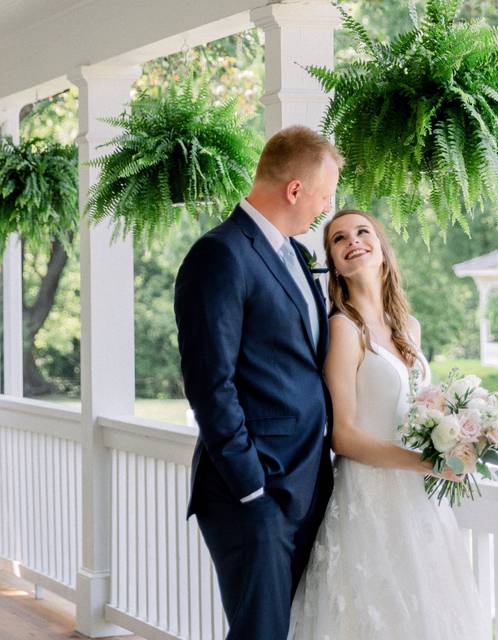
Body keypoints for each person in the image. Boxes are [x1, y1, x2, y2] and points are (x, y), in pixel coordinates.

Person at [288, 209, 488, 639]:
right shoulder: (344, 329)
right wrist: (426, 463)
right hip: (370, 496)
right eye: (339, 239)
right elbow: (343, 435)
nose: (352, 241)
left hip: (420, 502)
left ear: (382, 250)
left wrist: (459, 438)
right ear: (335, 264)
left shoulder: (408, 327)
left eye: (363, 232)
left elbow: (418, 410)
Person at [174, 125, 341, 640]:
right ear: (295, 190)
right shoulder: (220, 254)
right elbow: (210, 383)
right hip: (255, 494)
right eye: (324, 195)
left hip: (307, 482)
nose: (326, 208)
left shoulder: (293, 254)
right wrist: (251, 487)